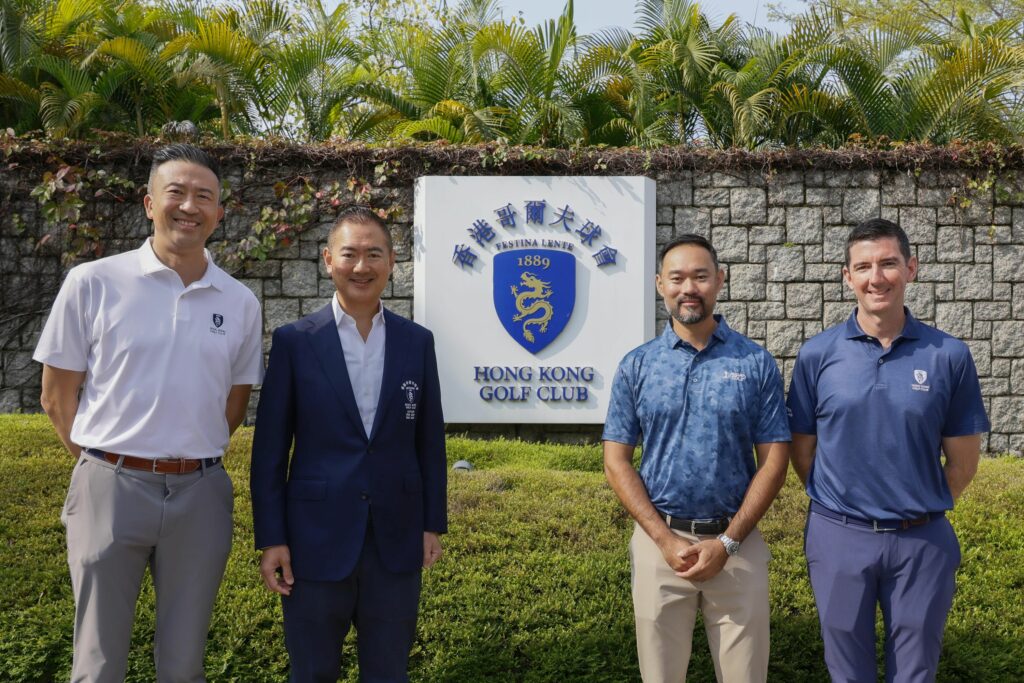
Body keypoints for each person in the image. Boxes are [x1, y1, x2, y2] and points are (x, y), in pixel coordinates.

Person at [33, 143, 264, 682]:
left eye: (203, 196)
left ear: (219, 213)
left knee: (184, 664)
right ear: (149, 203)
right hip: (109, 487)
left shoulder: (239, 302)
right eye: (175, 192)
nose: (189, 206)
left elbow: (233, 403)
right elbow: (56, 395)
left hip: (200, 494)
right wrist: (105, 463)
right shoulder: (93, 282)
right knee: (97, 662)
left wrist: (183, 451)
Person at [787, 218, 990, 683]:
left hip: (922, 540)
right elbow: (803, 453)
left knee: (916, 673)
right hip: (838, 535)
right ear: (847, 276)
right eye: (863, 267)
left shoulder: (948, 355)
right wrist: (844, 507)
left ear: (910, 268)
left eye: (888, 264)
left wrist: (917, 506)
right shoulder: (817, 355)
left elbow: (963, 462)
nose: (876, 277)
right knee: (846, 672)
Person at [250, 205, 447, 683]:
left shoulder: (416, 342)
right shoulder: (296, 342)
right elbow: (270, 451)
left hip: (395, 540)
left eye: (374, 254)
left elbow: (429, 441)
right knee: (311, 673)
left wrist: (431, 524)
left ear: (392, 262)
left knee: (389, 674)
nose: (362, 266)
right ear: (328, 260)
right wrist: (272, 538)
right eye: (350, 254)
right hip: (313, 541)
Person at [603, 233, 791, 683]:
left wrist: (728, 542)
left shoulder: (755, 363)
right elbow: (616, 461)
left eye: (700, 276)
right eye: (677, 278)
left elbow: (774, 461)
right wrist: (664, 540)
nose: (689, 288)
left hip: (737, 545)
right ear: (659, 284)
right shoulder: (637, 365)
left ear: (719, 281)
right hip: (659, 547)